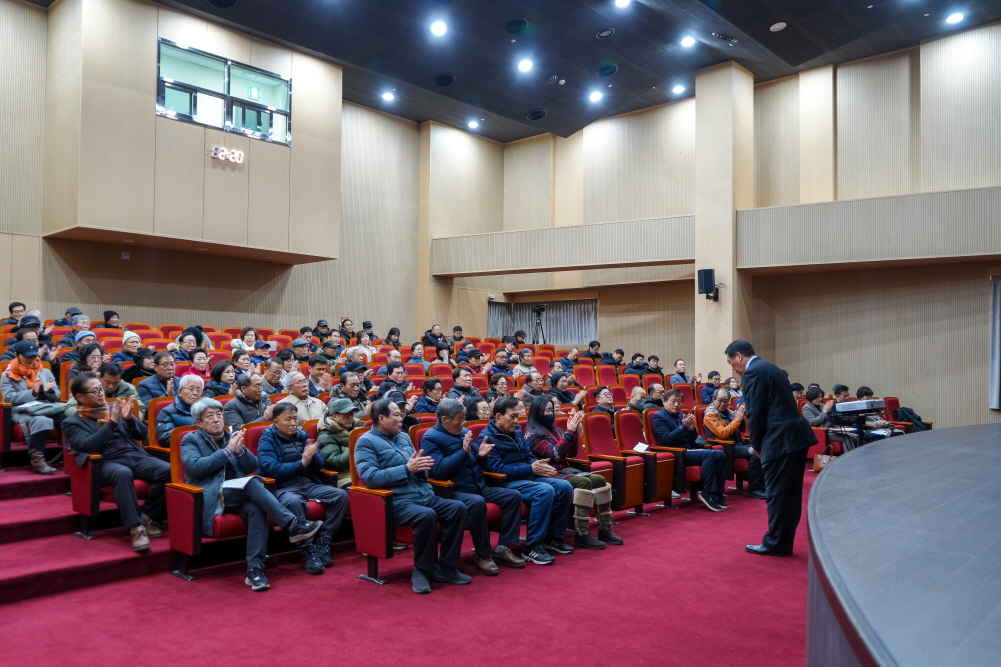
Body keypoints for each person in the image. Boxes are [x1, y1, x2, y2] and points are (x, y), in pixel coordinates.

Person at [181, 398, 322, 591]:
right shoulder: (190, 440)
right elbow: (196, 467)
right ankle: (292, 524)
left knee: (255, 507)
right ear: (198, 422)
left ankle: (255, 570)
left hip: (237, 494)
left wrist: (239, 453)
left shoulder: (229, 435)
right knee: (254, 483)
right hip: (210, 496)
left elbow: (252, 465)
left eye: (219, 414)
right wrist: (228, 451)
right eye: (210, 416)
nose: (216, 419)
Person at [355, 397, 471, 594]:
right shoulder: (365, 442)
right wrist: (407, 468)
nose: (401, 419)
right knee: (426, 515)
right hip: (397, 499)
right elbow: (370, 478)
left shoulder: (403, 437)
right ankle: (422, 570)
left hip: (423, 493)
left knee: (458, 508)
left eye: (402, 415)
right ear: (381, 418)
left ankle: (446, 567)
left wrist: (421, 468)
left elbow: (418, 467)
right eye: (397, 415)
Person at [726, 339, 817, 557]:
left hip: (779, 441)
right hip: (796, 437)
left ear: (739, 356)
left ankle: (775, 543)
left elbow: (756, 412)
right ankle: (783, 542)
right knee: (791, 494)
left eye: (732, 363)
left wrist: (756, 444)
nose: (734, 369)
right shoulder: (771, 368)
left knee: (777, 494)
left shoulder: (752, 373)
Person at [63, 372, 168, 551]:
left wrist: (130, 419)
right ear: (80, 397)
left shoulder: (113, 409)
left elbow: (143, 435)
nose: (101, 393)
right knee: (122, 472)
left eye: (100, 389)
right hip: (104, 462)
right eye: (95, 391)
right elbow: (88, 445)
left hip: (133, 455)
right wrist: (113, 422)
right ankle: (136, 528)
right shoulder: (71, 422)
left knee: (167, 469)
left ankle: (149, 516)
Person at [421, 398, 527, 575]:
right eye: (459, 419)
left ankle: (503, 547)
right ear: (444, 419)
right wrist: (463, 453)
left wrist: (481, 455)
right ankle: (483, 555)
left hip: (477, 485)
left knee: (513, 496)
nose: (463, 423)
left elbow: (475, 458)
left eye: (464, 418)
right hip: (452, 490)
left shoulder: (464, 432)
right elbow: (437, 470)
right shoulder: (430, 439)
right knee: (477, 502)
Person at [479, 396, 574, 565]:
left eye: (518, 416)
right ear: (499, 417)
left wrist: (537, 464)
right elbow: (498, 470)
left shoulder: (516, 432)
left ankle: (553, 537)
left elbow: (528, 456)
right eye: (512, 416)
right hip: (505, 482)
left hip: (526, 476)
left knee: (564, 486)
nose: (517, 420)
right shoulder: (487, 438)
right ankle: (532, 546)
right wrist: (531, 468)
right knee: (544, 491)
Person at [257, 403, 350, 575]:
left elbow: (319, 464)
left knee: (340, 495)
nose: (293, 423)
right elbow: (271, 469)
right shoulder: (267, 439)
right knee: (293, 502)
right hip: (283, 487)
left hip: (308, 483)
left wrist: (313, 455)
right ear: (276, 422)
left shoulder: (302, 435)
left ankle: (324, 540)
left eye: (295, 418)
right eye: (288, 419)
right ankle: (308, 550)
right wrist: (302, 463)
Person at [524, 395, 622, 548]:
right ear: (537, 412)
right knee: (583, 482)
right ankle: (582, 533)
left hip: (565, 469)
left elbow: (571, 454)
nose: (551, 414)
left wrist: (576, 434)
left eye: (552, 410)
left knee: (599, 480)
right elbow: (554, 455)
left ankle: (605, 528)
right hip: (549, 473)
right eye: (547, 410)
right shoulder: (532, 434)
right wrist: (570, 432)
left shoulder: (554, 430)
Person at [652, 389, 727, 511]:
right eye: (673, 401)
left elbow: (692, 438)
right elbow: (666, 439)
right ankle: (707, 492)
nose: (676, 405)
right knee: (709, 455)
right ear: (664, 401)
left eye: (679, 402)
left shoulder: (682, 415)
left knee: (720, 454)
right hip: (675, 452)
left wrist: (691, 429)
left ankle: (717, 492)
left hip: (689, 449)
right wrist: (683, 427)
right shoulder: (658, 417)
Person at [2, 340, 66, 474]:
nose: (32, 359)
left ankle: (72, 452)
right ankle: (38, 461)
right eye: (27, 356)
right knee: (41, 420)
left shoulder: (44, 371)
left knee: (67, 416)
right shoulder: (8, 375)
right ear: (16, 355)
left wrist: (49, 391)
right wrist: (33, 392)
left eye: (33, 355)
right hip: (20, 410)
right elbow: (8, 398)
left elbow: (56, 395)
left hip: (45, 406)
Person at [703, 387, 765, 499]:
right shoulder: (710, 415)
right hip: (722, 447)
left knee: (761, 449)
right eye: (720, 400)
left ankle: (763, 486)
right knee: (754, 453)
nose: (723, 403)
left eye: (726, 401)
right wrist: (737, 419)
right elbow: (723, 433)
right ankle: (754, 488)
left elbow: (741, 429)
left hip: (736, 444)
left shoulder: (729, 412)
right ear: (713, 399)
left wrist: (741, 418)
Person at [65, 363, 146, 420]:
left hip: (122, 425)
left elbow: (141, 409)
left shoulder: (129, 389)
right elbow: (69, 409)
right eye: (107, 382)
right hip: (90, 424)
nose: (111, 386)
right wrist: (105, 414)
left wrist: (130, 419)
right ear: (99, 377)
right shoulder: (86, 385)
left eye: (115, 383)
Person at [316, 398, 364, 489]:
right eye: (347, 414)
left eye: (352, 413)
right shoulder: (325, 436)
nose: (351, 417)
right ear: (335, 416)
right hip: (343, 477)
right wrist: (356, 445)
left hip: (362, 469)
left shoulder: (356, 428)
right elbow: (336, 462)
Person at [155, 374, 203, 447]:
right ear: (180, 391)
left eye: (198, 390)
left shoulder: (206, 410)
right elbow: (165, 438)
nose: (195, 393)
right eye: (191, 389)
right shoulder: (167, 412)